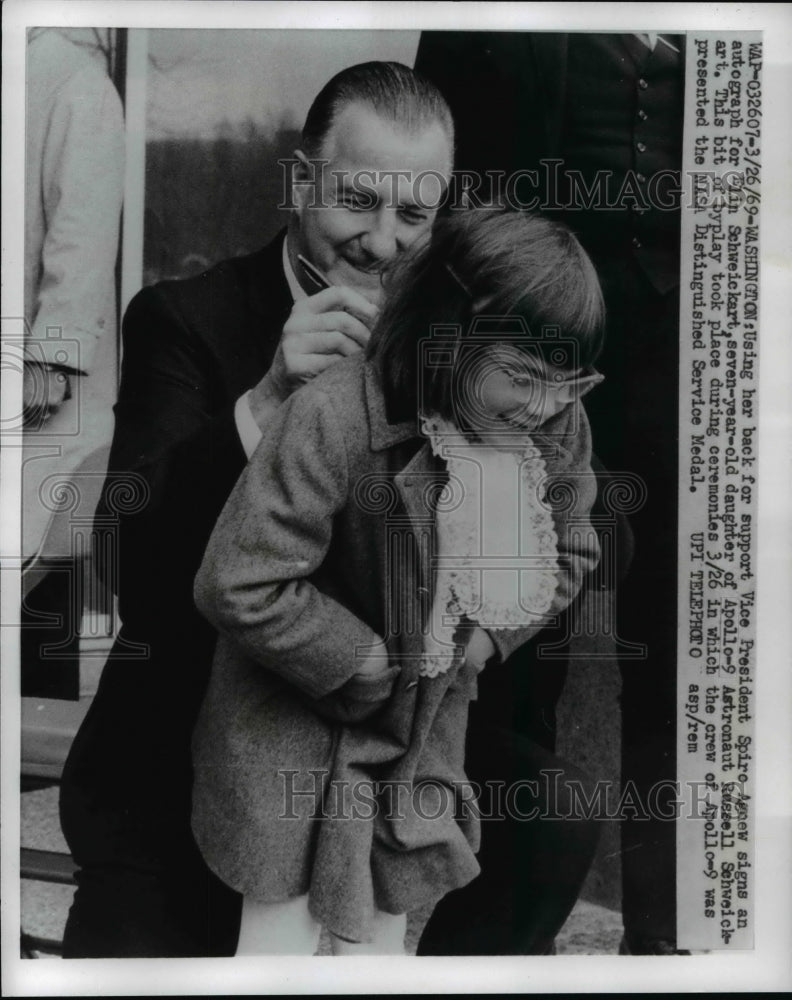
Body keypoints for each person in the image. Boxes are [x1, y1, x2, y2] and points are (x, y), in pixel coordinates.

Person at [59, 60, 455, 958]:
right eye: (358, 200)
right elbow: (127, 563)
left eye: (415, 215)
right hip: (169, 786)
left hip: (363, 799)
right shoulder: (183, 318)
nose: (386, 243)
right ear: (300, 178)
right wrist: (269, 399)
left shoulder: (454, 343)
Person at [190, 208, 605, 955]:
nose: (544, 406)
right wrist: (363, 659)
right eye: (522, 379)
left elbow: (570, 547)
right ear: (452, 331)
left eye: (567, 385)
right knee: (278, 934)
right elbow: (240, 580)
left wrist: (483, 640)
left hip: (420, 726)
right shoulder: (332, 416)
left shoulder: (552, 421)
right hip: (291, 711)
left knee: (380, 929)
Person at [415, 31, 685, 953]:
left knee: (679, 644)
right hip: (528, 352)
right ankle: (496, 924)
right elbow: (447, 177)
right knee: (518, 631)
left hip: (684, 371)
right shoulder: (491, 22)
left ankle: (664, 932)